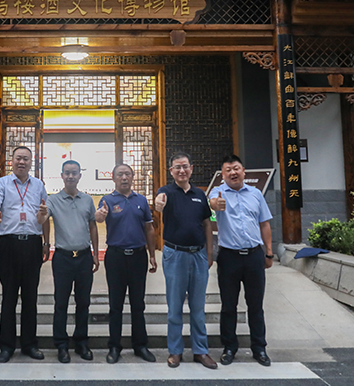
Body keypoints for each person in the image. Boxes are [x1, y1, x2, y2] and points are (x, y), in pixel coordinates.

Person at [208, 154, 273, 367]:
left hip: (254, 255)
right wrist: (214, 205)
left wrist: (269, 252)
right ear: (223, 174)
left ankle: (259, 348)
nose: (233, 173)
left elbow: (264, 224)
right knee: (229, 306)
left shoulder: (256, 194)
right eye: (228, 170)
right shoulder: (217, 193)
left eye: (236, 168)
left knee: (256, 305)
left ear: (243, 171)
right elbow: (210, 208)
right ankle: (229, 347)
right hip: (229, 257)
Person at [0, 146, 50, 363]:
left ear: (32, 162)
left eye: (26, 159)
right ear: (11, 161)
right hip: (9, 245)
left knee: (30, 297)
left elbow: (44, 216)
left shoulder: (38, 185)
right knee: (9, 297)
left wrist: (46, 242)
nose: (21, 162)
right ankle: (6, 346)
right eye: (18, 158)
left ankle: (29, 344)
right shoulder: (2, 183)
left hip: (32, 244)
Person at [155, 152, 216, 370]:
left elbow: (207, 224)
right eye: (177, 167)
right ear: (171, 171)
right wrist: (158, 204)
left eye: (185, 166)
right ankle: (175, 351)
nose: (181, 170)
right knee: (175, 306)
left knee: (198, 307)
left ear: (191, 168)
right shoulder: (166, 192)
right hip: (175, 255)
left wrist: (209, 254)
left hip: (198, 254)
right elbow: (159, 204)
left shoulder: (200, 194)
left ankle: (201, 351)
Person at [37, 160, 99, 363]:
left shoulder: (87, 199)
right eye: (67, 173)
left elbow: (93, 226)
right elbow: (42, 220)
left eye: (74, 173)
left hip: (84, 257)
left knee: (83, 302)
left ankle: (81, 342)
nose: (71, 176)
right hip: (63, 258)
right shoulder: (53, 200)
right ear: (62, 176)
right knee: (61, 303)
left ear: (80, 175)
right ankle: (61, 344)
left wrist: (95, 253)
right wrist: (41, 216)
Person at [96, 163, 157, 364]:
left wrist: (152, 254)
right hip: (116, 257)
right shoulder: (107, 200)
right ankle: (114, 346)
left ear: (132, 177)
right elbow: (98, 217)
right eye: (120, 174)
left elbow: (149, 228)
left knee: (138, 304)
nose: (124, 177)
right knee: (116, 304)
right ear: (113, 178)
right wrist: (100, 216)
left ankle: (140, 345)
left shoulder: (141, 200)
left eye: (127, 174)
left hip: (138, 257)